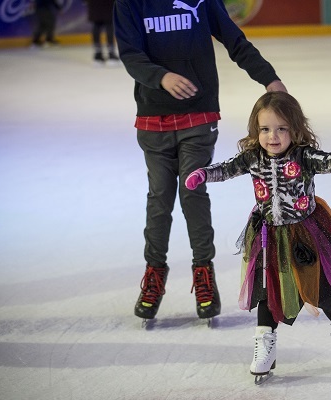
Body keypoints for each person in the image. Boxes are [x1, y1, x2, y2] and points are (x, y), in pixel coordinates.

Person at [113, 0, 288, 323]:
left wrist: (269, 79)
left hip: (198, 113)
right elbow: (130, 55)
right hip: (153, 118)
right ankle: (154, 273)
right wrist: (161, 77)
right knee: (160, 197)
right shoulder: (130, 3)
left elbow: (234, 40)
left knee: (192, 191)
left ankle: (203, 273)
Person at [184, 91, 331, 378]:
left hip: (305, 235)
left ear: (295, 129)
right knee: (269, 294)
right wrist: (204, 174)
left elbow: (329, 162)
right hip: (268, 237)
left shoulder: (303, 156)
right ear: (256, 130)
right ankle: (265, 345)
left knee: (323, 290)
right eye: (265, 129)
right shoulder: (253, 158)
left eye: (282, 129)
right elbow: (226, 169)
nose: (273, 136)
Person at [83, 0, 119, 66]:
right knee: (109, 24)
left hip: (94, 3)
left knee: (97, 24)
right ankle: (111, 54)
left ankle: (98, 55)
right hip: (108, 4)